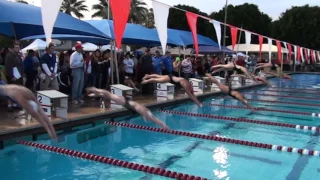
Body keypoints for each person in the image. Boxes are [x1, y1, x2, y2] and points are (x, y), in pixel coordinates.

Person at [86, 87, 168, 130]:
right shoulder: (145, 112)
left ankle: (95, 93)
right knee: (109, 95)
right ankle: (95, 90)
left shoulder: (146, 111)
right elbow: (154, 119)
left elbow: (154, 118)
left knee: (109, 95)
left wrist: (162, 124)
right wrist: (163, 125)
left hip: (127, 102)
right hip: (126, 102)